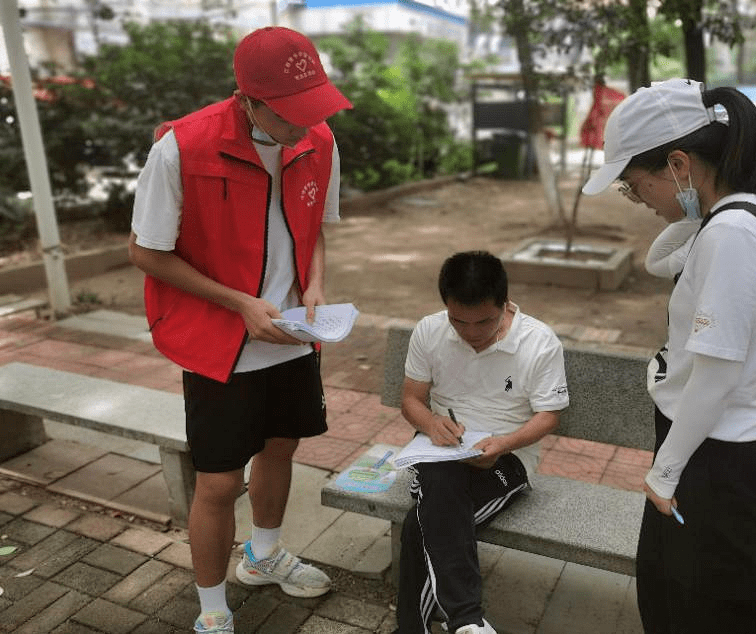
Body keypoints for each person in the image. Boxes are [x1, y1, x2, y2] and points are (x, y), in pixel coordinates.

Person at [128, 26, 352, 634]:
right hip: (218, 340)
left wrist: (313, 287)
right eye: (289, 117)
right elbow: (147, 252)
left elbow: (316, 231)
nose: (303, 128)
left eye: (313, 111)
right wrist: (239, 304)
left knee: (282, 447)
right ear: (247, 99)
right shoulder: (183, 147)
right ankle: (212, 606)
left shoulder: (319, 140)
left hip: (291, 334)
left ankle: (264, 556)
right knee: (220, 480)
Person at [582, 78, 756, 633]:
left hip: (716, 460)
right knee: (674, 594)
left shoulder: (733, 235)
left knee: (703, 610)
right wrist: (692, 209)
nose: (637, 201)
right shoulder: (744, 215)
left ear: (678, 163)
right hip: (719, 451)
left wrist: (665, 470)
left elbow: (716, 373)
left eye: (634, 187)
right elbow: (662, 260)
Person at [395, 251, 569, 634]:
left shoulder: (538, 342)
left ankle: (429, 625)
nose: (471, 332)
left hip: (508, 457)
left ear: (505, 304)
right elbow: (411, 399)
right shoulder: (429, 330)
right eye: (458, 321)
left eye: (484, 321)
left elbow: (549, 416)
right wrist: (431, 421)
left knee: (421, 523)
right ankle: (467, 622)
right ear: (446, 306)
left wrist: (504, 443)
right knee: (440, 483)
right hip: (440, 446)